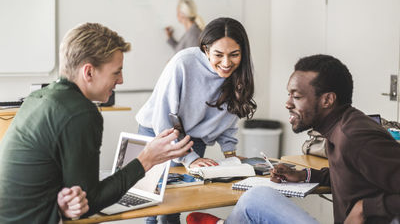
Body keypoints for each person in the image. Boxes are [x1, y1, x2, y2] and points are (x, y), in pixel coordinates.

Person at [0, 23, 193, 224]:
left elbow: (65, 192)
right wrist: (147, 159)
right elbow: (89, 204)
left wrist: (64, 201)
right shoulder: (80, 112)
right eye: (116, 72)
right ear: (89, 72)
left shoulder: (38, 98)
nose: (121, 80)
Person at [186, 54, 400, 224]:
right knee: (259, 199)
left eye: (296, 97)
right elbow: (350, 175)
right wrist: (304, 174)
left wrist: (365, 208)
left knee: (256, 200)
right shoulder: (340, 128)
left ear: (327, 100)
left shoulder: (355, 136)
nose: (288, 103)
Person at [136, 17, 257, 223]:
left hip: (193, 138)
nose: (226, 63)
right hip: (158, 132)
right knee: (155, 202)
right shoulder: (183, 63)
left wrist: (231, 157)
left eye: (234, 55)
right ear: (205, 49)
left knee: (175, 206)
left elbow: (228, 117)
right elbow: (163, 119)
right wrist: (190, 159)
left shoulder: (240, 73)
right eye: (218, 55)